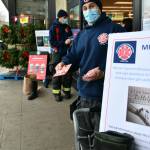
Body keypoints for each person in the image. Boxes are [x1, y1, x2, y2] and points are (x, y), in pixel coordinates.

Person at [55, 0, 125, 149]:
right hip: (85, 95)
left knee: (104, 141)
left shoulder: (115, 29)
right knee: (85, 139)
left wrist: (103, 71)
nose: (88, 10)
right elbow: (73, 55)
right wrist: (64, 62)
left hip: (107, 97)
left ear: (100, 8)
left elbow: (125, 61)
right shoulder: (82, 34)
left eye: (92, 6)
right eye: (85, 8)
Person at [49, 9, 73, 102]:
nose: (66, 19)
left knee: (67, 73)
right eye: (64, 17)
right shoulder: (53, 28)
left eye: (66, 18)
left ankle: (67, 92)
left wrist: (71, 40)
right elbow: (52, 42)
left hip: (67, 53)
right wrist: (64, 42)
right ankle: (56, 93)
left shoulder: (67, 27)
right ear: (60, 17)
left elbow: (70, 37)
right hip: (57, 53)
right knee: (57, 73)